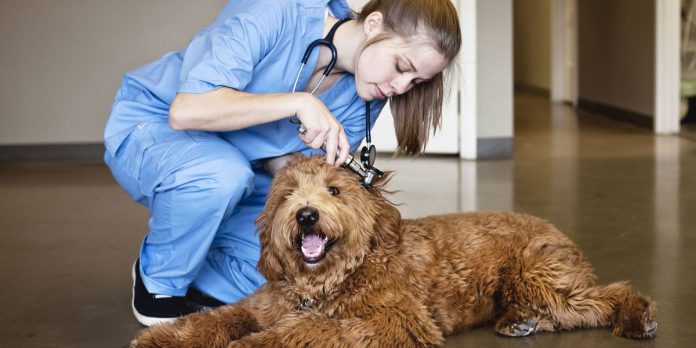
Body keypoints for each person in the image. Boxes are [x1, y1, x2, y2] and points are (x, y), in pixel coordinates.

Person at [103, 0, 461, 326]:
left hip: (246, 165)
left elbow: (291, 166)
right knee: (219, 175)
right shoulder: (275, 12)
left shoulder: (368, 93)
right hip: (155, 126)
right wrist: (299, 103)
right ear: (374, 24)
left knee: (282, 271)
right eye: (402, 66)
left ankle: (191, 248)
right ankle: (160, 278)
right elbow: (187, 110)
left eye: (415, 81)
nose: (401, 86)